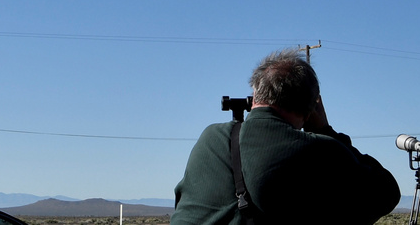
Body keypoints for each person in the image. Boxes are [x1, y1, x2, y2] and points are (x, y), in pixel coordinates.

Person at [171, 49, 400, 225]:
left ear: (255, 94)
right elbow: (387, 192)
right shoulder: (315, 150)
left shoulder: (210, 138)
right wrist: (325, 131)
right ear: (310, 109)